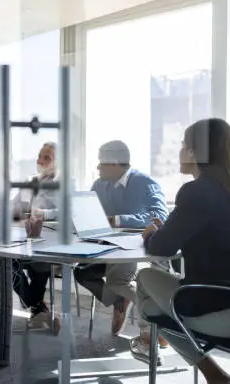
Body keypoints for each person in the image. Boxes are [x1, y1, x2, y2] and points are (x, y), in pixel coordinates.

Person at [131, 118, 230, 384]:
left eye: (184, 146)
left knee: (146, 281)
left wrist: (150, 234)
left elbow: (162, 247)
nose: (180, 151)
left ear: (197, 153)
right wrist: (165, 230)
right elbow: (193, 231)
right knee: (151, 306)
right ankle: (212, 374)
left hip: (224, 311)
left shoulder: (197, 192)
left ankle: (202, 367)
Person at [74, 140, 169, 340]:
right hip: (105, 247)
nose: (97, 167)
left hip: (132, 248)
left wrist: (116, 220)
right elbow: (89, 212)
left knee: (118, 281)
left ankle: (157, 324)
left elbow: (160, 216)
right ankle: (121, 300)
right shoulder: (99, 184)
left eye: (101, 163)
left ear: (115, 163)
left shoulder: (145, 183)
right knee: (81, 273)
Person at [7, 142, 61, 333]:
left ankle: (38, 308)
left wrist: (43, 213)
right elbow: (15, 206)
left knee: (40, 260)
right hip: (25, 239)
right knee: (5, 261)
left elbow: (67, 211)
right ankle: (39, 306)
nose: (40, 160)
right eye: (40, 156)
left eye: (47, 157)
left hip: (50, 243)